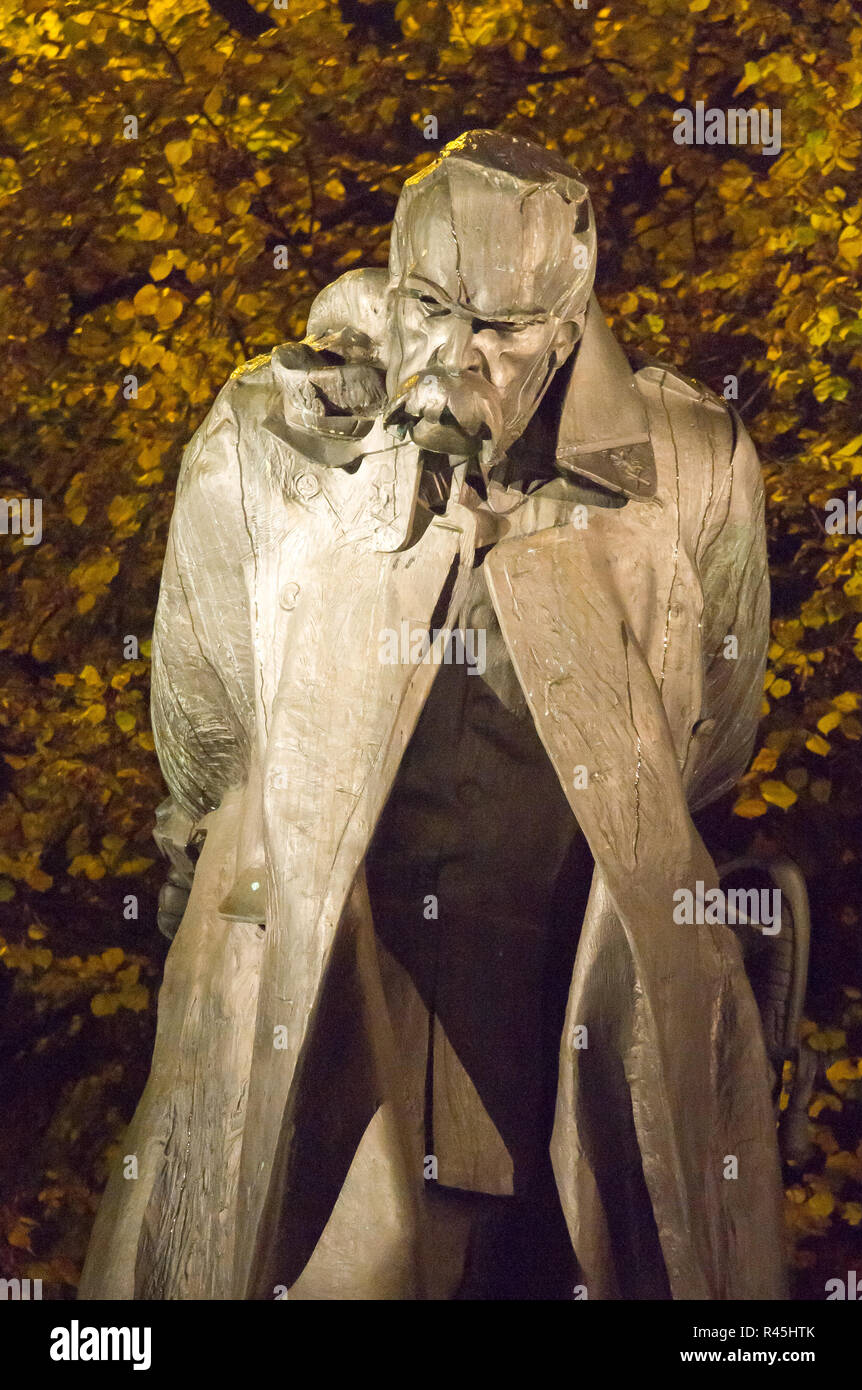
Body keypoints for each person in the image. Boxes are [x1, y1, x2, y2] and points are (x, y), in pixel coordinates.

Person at [80, 130, 786, 1301]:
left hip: (573, 997)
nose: (457, 354)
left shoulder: (694, 465)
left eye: (504, 328)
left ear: (569, 325)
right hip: (325, 999)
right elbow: (203, 734)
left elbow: (708, 738)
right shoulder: (268, 448)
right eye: (428, 307)